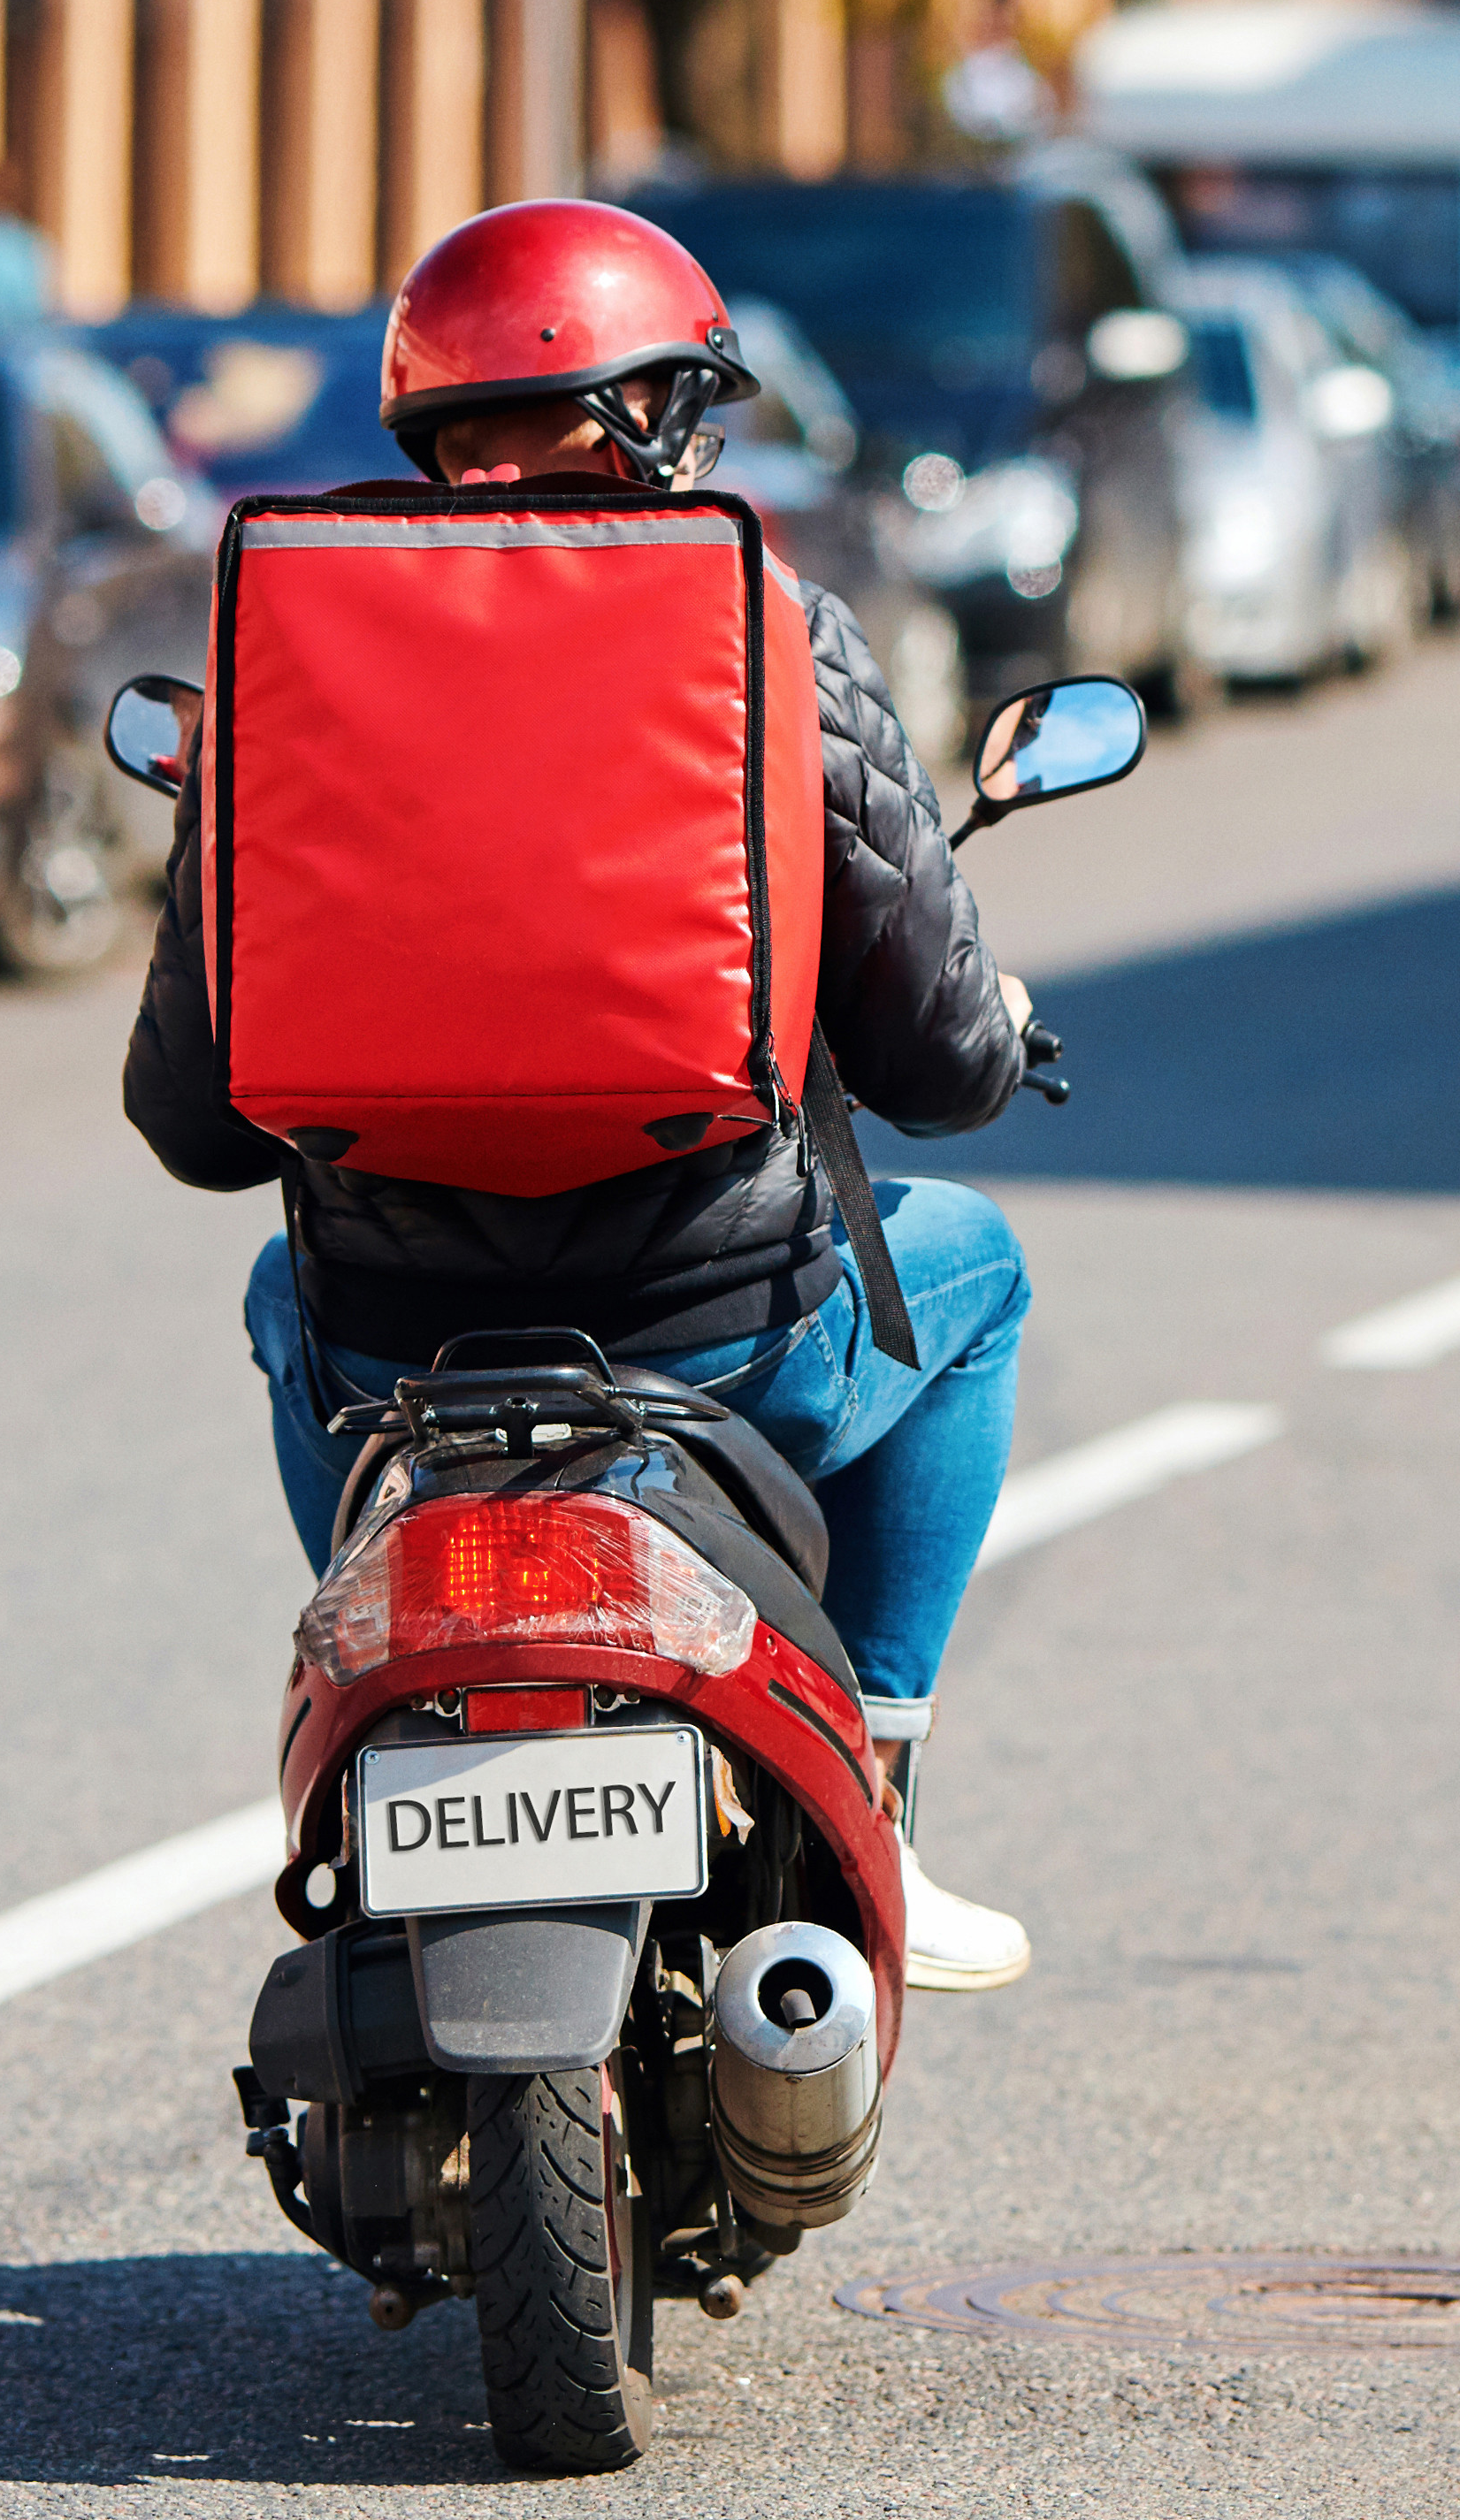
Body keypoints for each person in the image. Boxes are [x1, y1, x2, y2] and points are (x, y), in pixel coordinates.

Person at [120, 198, 1045, 1993]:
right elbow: (936, 1068)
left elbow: (194, 1123)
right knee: (977, 1268)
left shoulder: (276, 659)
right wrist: (993, 1032)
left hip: (400, 1351)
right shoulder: (772, 631)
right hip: (717, 1337)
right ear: (650, 418)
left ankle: (405, 1688)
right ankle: (879, 1787)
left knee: (271, 1290)